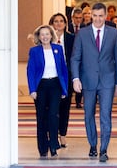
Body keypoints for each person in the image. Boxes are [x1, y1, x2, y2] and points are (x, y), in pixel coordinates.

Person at [70, 2, 117, 162]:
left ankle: (104, 149)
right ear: (90, 15)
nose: (98, 19)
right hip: (88, 80)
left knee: (106, 115)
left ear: (105, 16)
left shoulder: (113, 33)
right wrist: (75, 78)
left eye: (101, 16)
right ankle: (93, 145)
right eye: (95, 16)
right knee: (88, 115)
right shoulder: (82, 34)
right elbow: (75, 57)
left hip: (108, 81)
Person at [26, 25, 69, 159]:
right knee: (41, 117)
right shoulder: (34, 51)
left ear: (51, 36)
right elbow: (31, 71)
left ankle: (53, 145)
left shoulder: (58, 49)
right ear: (38, 37)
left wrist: (64, 89)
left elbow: (63, 70)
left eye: (47, 34)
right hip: (41, 86)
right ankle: (43, 148)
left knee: (53, 115)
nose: (45, 36)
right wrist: (32, 89)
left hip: (55, 85)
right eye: (42, 34)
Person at [48, 13, 75, 148]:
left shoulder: (71, 38)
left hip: (66, 77)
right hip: (51, 77)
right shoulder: (47, 38)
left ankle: (62, 135)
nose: (58, 24)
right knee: (52, 107)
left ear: (65, 24)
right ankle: (52, 135)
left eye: (61, 21)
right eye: (55, 21)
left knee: (65, 107)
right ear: (52, 24)